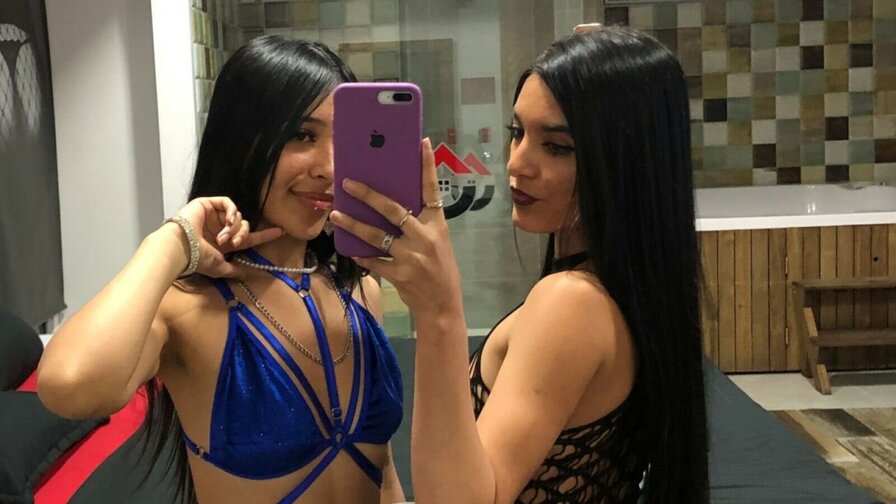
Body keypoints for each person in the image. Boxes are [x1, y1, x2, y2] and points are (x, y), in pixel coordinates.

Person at [331, 26, 709, 503]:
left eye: (557, 146)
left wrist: (439, 310)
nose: (517, 163)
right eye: (518, 133)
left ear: (626, 159)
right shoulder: (628, 290)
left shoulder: (572, 302)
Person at [37, 36, 405, 504]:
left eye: (345, 138)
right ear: (241, 141)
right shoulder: (188, 307)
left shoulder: (360, 292)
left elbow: (383, 471)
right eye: (302, 135)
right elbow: (69, 387)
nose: (330, 168)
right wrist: (172, 242)